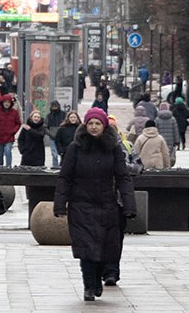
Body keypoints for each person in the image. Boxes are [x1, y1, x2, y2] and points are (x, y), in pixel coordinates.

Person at [54, 107, 136, 301]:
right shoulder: (76, 148)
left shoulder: (113, 148)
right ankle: (89, 285)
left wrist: (129, 205)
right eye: (90, 123)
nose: (93, 127)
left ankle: (98, 278)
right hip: (81, 204)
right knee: (86, 247)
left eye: (97, 123)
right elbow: (65, 177)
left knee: (105, 246)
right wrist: (60, 204)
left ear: (104, 125)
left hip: (106, 205)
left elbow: (123, 177)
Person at [0, 93, 22, 167]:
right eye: (5, 102)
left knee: (7, 150)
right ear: (2, 103)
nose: (6, 104)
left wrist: (14, 131)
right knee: (0, 153)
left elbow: (18, 123)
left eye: (8, 102)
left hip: (9, 136)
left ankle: (8, 166)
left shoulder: (14, 112)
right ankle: (0, 166)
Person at [46, 100, 67, 168]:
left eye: (56, 106)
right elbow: (45, 126)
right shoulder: (49, 116)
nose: (54, 108)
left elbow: (67, 123)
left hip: (62, 137)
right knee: (54, 153)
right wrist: (50, 133)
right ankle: (55, 166)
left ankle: (62, 166)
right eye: (53, 106)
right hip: (52, 137)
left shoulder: (64, 114)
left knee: (62, 152)